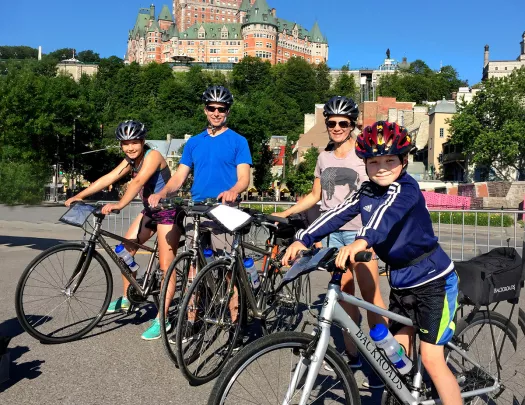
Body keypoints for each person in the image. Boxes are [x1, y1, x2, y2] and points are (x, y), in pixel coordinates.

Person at [283, 121, 462, 404]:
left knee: (431, 359)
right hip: (403, 283)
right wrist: (303, 238)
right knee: (395, 357)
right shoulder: (366, 190)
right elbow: (338, 213)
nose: (381, 167)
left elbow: (383, 218)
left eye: (390, 160)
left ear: (404, 161)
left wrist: (360, 241)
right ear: (365, 163)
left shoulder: (405, 189)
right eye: (373, 161)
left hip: (433, 282)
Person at [275, 96, 387, 386]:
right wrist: (285, 213)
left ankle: (385, 365)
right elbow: (315, 196)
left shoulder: (364, 154)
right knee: (343, 296)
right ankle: (353, 357)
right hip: (331, 234)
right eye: (332, 123)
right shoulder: (324, 157)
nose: (336, 127)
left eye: (343, 123)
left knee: (371, 298)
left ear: (352, 125)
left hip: (359, 232)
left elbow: (380, 190)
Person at [148, 85, 252, 341]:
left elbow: (243, 179)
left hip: (225, 211)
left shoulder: (238, 141)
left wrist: (232, 191)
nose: (216, 113)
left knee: (228, 268)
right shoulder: (194, 142)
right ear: (205, 110)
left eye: (222, 109)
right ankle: (192, 320)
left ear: (227, 111)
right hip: (197, 210)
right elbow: (179, 178)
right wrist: (163, 193)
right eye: (212, 108)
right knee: (193, 266)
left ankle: (236, 324)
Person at [65, 120, 183, 340]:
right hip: (150, 210)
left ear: (142, 141)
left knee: (167, 265)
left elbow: (138, 182)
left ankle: (162, 319)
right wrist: (80, 195)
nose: (130, 147)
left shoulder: (152, 156)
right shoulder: (130, 160)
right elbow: (110, 177)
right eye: (125, 143)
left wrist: (120, 204)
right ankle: (130, 297)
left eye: (134, 142)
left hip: (168, 211)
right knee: (123, 251)